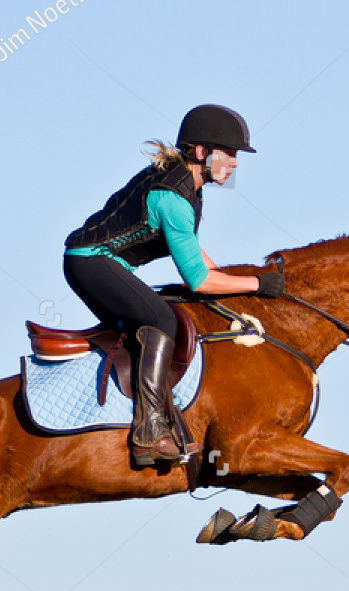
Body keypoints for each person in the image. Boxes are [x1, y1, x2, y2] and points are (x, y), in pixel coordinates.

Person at [63, 104, 284, 467]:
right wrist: (258, 284)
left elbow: (196, 256)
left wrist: (244, 286)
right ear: (201, 153)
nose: (235, 162)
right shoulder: (174, 199)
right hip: (90, 263)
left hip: (101, 263)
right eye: (229, 153)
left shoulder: (188, 186)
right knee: (162, 320)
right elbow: (197, 280)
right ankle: (150, 432)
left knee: (156, 316)